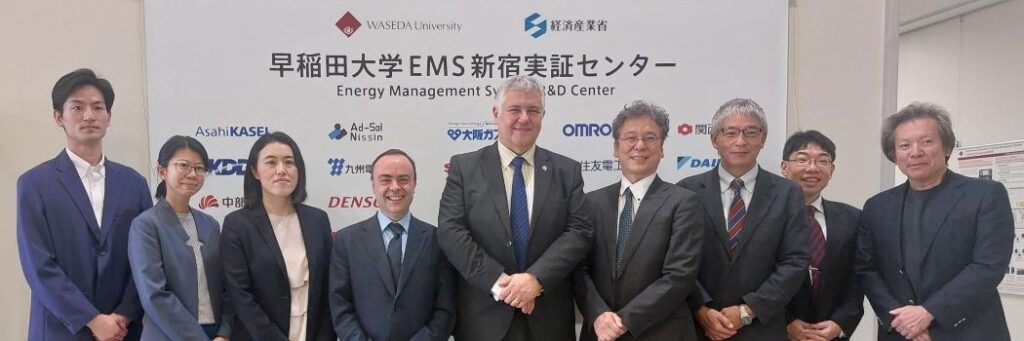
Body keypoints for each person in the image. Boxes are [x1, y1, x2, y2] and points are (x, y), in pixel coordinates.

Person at [437, 75, 593, 340]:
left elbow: (579, 232)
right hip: (484, 320)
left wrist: (536, 280)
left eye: (533, 110)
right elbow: (451, 232)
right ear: (496, 113)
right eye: (514, 110)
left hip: (548, 320)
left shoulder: (567, 171)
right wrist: (501, 286)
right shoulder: (465, 168)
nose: (524, 118)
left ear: (543, 116)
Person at [857, 102, 1013, 340]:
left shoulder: (985, 195)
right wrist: (901, 321)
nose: (915, 152)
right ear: (894, 155)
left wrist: (930, 312)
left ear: (947, 147)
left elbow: (988, 265)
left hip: (968, 331)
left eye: (927, 141)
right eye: (904, 145)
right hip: (901, 333)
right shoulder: (877, 206)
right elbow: (866, 269)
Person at [17, 68, 153, 341]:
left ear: (109, 116)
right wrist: (91, 320)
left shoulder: (134, 183)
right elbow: (38, 266)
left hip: (123, 331)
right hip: (61, 329)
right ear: (59, 117)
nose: (89, 115)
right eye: (77, 107)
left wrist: (123, 315)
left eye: (97, 107)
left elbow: (145, 259)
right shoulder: (34, 183)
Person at [677, 98, 809, 340]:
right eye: (730, 132)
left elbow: (795, 261)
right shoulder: (687, 191)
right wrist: (701, 310)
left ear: (763, 138)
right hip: (699, 328)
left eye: (750, 132)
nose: (740, 141)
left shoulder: (787, 193)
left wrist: (749, 310)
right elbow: (677, 261)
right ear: (714, 140)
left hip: (762, 327)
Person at [573, 101, 704, 341]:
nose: (639, 146)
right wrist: (599, 315)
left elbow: (679, 276)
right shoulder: (590, 203)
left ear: (662, 147)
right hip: (600, 332)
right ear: (616, 147)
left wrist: (624, 321)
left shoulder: (684, 203)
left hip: (662, 332)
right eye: (630, 137)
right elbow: (578, 270)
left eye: (650, 138)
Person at [330, 149, 457, 340]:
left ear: (415, 184)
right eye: (385, 179)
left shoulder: (437, 240)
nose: (395, 187)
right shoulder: (347, 241)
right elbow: (340, 305)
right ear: (373, 185)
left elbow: (445, 308)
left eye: (404, 179)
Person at [221, 132, 336, 341]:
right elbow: (240, 296)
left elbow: (329, 290)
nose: (281, 170)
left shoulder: (318, 220)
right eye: (271, 162)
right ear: (255, 171)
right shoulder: (237, 225)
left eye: (289, 162)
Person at [128, 135, 232, 340]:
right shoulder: (146, 226)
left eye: (199, 168)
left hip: (214, 333)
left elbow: (226, 287)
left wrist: (224, 333)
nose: (192, 174)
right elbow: (154, 295)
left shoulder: (210, 225)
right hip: (168, 334)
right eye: (183, 165)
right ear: (161, 171)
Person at [780, 131, 863, 340]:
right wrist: (785, 322)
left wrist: (840, 323)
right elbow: (755, 278)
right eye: (802, 159)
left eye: (822, 160)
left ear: (831, 169)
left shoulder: (852, 218)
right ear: (784, 168)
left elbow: (858, 278)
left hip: (831, 335)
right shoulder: (764, 218)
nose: (812, 168)